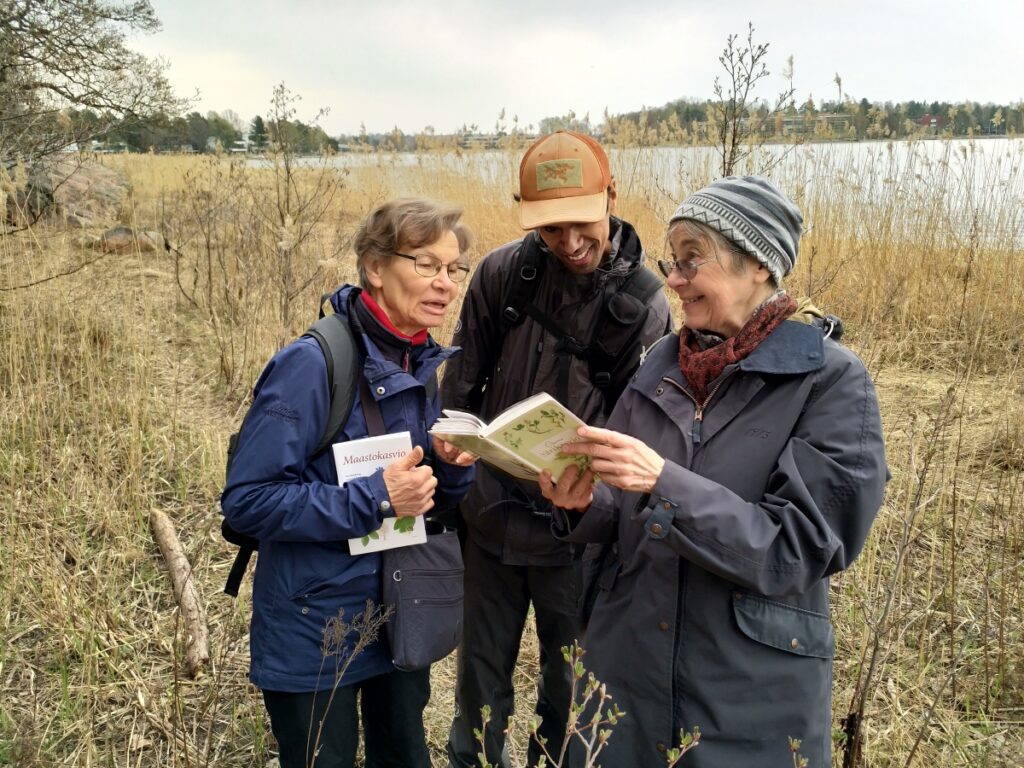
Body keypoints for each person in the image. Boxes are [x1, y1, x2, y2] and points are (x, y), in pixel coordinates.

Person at [539, 176, 888, 767]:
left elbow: (796, 549)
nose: (673, 280)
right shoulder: (661, 366)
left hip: (743, 700)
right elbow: (625, 513)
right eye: (672, 261)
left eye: (692, 260)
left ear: (756, 265)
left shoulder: (828, 382)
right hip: (623, 680)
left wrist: (663, 482)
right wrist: (581, 503)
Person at [441, 131, 673, 767]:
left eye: (581, 224)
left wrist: (592, 493)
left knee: (567, 692)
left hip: (577, 537)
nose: (569, 244)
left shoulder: (647, 309)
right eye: (550, 229)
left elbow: (642, 440)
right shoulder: (500, 274)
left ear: (612, 197)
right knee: (478, 690)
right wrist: (456, 444)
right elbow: (460, 386)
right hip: (489, 519)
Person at [221, 198, 478, 768]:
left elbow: (421, 500)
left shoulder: (418, 362)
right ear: (375, 267)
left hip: (396, 615)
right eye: (426, 264)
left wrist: (453, 469)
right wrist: (377, 497)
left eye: (453, 269)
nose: (444, 284)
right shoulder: (313, 365)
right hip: (315, 626)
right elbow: (247, 503)